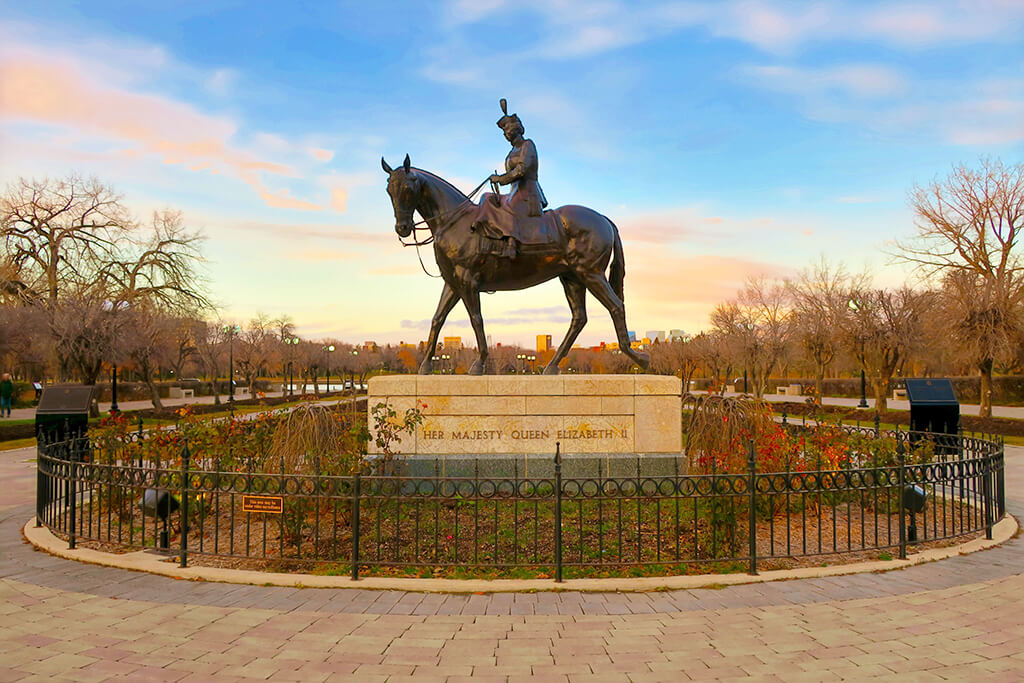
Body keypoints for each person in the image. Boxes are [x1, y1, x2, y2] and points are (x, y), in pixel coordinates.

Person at [474, 98, 549, 258]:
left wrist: (500, 179)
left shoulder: (528, 145)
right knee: (487, 198)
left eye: (506, 131)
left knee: (509, 207)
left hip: (528, 194)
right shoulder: (511, 152)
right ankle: (487, 235)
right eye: (504, 132)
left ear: (514, 130)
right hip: (514, 191)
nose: (505, 134)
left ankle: (511, 244)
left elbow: (521, 170)